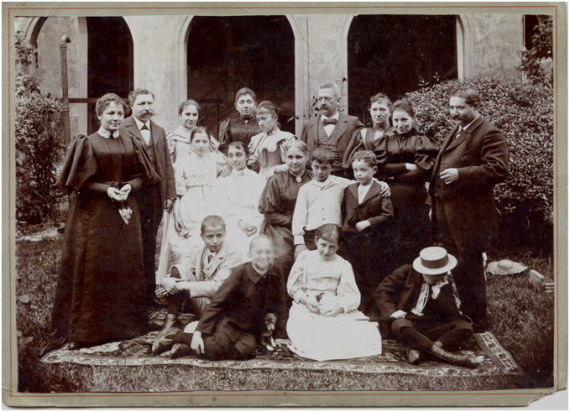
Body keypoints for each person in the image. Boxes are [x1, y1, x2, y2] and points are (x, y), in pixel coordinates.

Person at [52, 93, 160, 350]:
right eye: (110, 113)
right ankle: (85, 331)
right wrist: (107, 190)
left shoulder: (131, 141)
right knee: (94, 267)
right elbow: (81, 182)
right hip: (95, 215)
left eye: (119, 114)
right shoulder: (88, 143)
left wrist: (128, 188)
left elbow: (142, 176)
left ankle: (126, 326)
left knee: (124, 264)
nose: (115, 118)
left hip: (125, 212)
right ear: (99, 115)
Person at [428, 88, 508, 333]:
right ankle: (466, 314)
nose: (454, 113)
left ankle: (478, 321)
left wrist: (460, 175)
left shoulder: (489, 133)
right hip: (448, 210)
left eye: (459, 108)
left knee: (470, 265)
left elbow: (497, 169)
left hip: (471, 215)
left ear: (475, 106)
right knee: (456, 264)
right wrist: (434, 202)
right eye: (451, 107)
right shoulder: (456, 130)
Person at [162, 235, 289, 360]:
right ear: (249, 255)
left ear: (273, 254)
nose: (264, 256)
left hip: (249, 327)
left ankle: (190, 347)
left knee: (246, 351)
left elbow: (281, 303)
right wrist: (198, 333)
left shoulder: (276, 271)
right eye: (259, 252)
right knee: (215, 347)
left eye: (268, 252)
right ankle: (179, 337)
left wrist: (280, 335)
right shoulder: (238, 273)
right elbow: (217, 302)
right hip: (228, 320)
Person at [286, 224, 383, 361]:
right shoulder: (305, 258)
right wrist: (306, 301)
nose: (326, 251)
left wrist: (339, 308)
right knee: (307, 335)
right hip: (306, 304)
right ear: (316, 240)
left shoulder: (343, 265)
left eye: (332, 247)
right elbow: (294, 286)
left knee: (348, 333)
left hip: (332, 305)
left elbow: (352, 294)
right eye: (323, 245)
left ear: (339, 246)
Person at [375, 247, 479, 369]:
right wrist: (392, 312)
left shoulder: (444, 281)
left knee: (465, 327)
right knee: (399, 325)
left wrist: (438, 294)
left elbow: (453, 314)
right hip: (409, 324)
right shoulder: (406, 271)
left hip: (432, 326)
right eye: (437, 275)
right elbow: (382, 290)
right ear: (425, 271)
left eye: (444, 273)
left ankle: (421, 351)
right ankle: (452, 357)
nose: (443, 277)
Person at [152, 215, 243, 355]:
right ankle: (171, 322)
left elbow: (216, 287)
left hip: (224, 308)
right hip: (204, 303)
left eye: (219, 235)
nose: (215, 241)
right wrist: (165, 281)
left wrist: (181, 286)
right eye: (210, 236)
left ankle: (182, 344)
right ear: (202, 236)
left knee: (218, 333)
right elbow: (182, 270)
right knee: (178, 269)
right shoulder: (201, 251)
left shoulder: (233, 254)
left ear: (225, 233)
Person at [120, 88, 176, 308]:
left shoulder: (160, 131)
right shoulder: (122, 127)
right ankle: (130, 294)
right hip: (132, 194)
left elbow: (166, 165)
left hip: (154, 196)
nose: (147, 108)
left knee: (150, 242)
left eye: (150, 104)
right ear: (131, 105)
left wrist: (170, 193)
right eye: (142, 104)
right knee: (131, 242)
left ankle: (149, 293)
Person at [376, 99, 440, 273]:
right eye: (396, 120)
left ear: (412, 118)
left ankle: (419, 279)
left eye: (404, 119)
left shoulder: (422, 141)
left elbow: (422, 171)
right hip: (390, 199)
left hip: (415, 198)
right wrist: (404, 166)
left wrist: (390, 174)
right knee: (392, 239)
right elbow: (379, 169)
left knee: (415, 239)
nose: (400, 124)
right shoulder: (385, 142)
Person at [156, 127, 227, 280]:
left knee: (214, 237)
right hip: (190, 205)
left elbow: (230, 168)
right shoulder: (182, 163)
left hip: (213, 202)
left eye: (204, 141)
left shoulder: (216, 160)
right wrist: (177, 215)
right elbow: (178, 193)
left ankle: (212, 279)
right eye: (197, 141)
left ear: (209, 143)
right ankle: (188, 279)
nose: (201, 145)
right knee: (191, 241)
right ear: (190, 142)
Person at [292, 147, 390, 256]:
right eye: (316, 167)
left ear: (332, 167)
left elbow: (363, 182)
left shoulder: (340, 183)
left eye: (324, 168)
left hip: (334, 234)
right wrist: (299, 242)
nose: (319, 172)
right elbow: (299, 216)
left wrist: (380, 183)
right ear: (311, 165)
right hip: (312, 235)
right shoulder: (305, 189)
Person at [341, 151, 394, 313]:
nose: (359, 174)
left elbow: (388, 215)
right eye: (356, 170)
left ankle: (373, 307)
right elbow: (344, 210)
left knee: (372, 273)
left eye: (363, 170)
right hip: (351, 240)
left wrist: (369, 222)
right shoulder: (349, 188)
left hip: (372, 240)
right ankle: (358, 304)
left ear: (374, 170)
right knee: (356, 273)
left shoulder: (380, 189)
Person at [258, 140, 313, 278]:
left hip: (310, 227)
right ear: (284, 158)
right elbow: (269, 214)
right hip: (281, 227)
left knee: (316, 256)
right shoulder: (276, 180)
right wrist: (293, 222)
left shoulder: (314, 178)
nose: (294, 162)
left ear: (307, 157)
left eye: (299, 157)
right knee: (283, 258)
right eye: (290, 157)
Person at [210, 141, 267, 255]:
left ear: (247, 156)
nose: (234, 159)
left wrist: (257, 224)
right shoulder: (222, 181)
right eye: (230, 156)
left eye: (239, 155)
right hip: (232, 224)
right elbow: (221, 207)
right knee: (233, 246)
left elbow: (263, 206)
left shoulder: (259, 180)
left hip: (255, 224)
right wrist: (238, 223)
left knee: (257, 247)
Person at [300, 81, 364, 177]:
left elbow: (364, 152)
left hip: (345, 177)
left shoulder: (353, 123)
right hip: (315, 177)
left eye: (327, 98)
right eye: (320, 99)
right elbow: (302, 152)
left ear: (338, 101)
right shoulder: (309, 125)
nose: (322, 102)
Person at [166, 99, 223, 169]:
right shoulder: (173, 139)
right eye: (187, 114)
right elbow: (168, 166)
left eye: (194, 115)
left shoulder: (205, 136)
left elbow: (215, 160)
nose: (191, 118)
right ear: (180, 115)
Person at [343, 92, 394, 166]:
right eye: (374, 109)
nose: (378, 114)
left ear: (390, 112)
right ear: (370, 111)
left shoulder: (396, 132)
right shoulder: (362, 134)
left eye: (382, 109)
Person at [248, 100, 296, 177]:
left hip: (278, 181)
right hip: (258, 180)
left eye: (264, 118)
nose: (261, 123)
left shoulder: (287, 138)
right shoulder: (256, 139)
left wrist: (275, 169)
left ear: (275, 118)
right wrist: (254, 164)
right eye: (258, 119)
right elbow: (255, 168)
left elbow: (294, 164)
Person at [218, 87, 262, 155]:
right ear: (236, 106)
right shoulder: (228, 125)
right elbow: (224, 150)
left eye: (249, 102)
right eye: (241, 102)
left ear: (255, 105)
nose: (245, 105)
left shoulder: (262, 124)